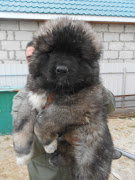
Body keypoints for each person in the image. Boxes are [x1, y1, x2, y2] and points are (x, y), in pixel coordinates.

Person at [11, 41, 116, 180]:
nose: (33, 62)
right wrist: (60, 134)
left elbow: (110, 107)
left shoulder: (79, 84)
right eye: (29, 58)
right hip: (47, 174)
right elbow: (26, 144)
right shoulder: (22, 97)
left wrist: (92, 85)